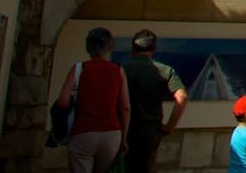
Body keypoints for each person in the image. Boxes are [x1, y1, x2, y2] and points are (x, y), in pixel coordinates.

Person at [56, 27, 131, 173]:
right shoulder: (118, 70)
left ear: (88, 47)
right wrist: (124, 137)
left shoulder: (79, 69)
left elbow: (63, 101)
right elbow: (126, 107)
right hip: (111, 133)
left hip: (83, 131)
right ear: (109, 47)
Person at [122, 29, 189, 173]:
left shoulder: (121, 69)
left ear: (133, 48)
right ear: (153, 48)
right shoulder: (165, 71)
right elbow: (182, 97)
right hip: (151, 131)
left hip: (124, 130)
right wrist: (170, 126)